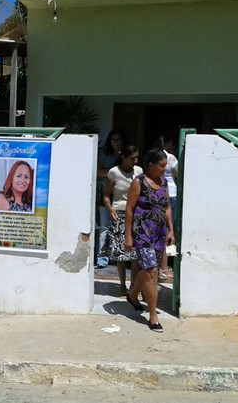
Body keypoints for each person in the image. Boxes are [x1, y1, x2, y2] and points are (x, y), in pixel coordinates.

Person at [124, 148, 175, 333]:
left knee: (147, 271)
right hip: (142, 232)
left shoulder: (164, 183)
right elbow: (129, 210)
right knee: (152, 272)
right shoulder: (139, 183)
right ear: (151, 165)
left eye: (165, 166)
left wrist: (171, 229)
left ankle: (132, 295)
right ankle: (153, 317)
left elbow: (167, 206)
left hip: (159, 234)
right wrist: (127, 236)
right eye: (161, 166)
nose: (164, 169)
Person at [101, 145, 142, 297]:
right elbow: (106, 195)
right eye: (132, 158)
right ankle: (122, 285)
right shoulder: (114, 172)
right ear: (124, 157)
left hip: (136, 214)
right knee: (121, 254)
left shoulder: (139, 172)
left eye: (136, 157)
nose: (135, 161)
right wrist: (110, 209)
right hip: (119, 214)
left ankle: (134, 285)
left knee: (136, 254)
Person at [95, 129, 128, 268]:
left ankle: (120, 259)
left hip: (123, 197)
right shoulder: (104, 154)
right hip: (105, 195)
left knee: (123, 228)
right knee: (104, 228)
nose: (117, 143)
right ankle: (102, 260)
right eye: (114, 140)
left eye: (119, 139)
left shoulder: (127, 155)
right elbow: (97, 172)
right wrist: (115, 173)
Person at [153, 134, 178, 282]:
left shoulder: (153, 157)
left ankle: (161, 266)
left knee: (159, 230)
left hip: (157, 195)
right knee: (169, 231)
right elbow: (179, 174)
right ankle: (166, 267)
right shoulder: (171, 158)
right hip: (172, 196)